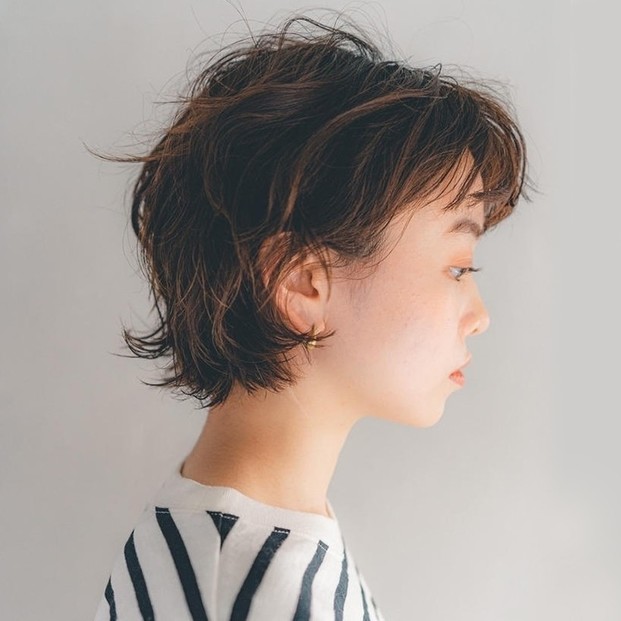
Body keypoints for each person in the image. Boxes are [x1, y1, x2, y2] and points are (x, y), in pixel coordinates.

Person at [91, 11, 535, 621]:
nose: (479, 316)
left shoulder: (229, 540)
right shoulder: (254, 587)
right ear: (302, 284)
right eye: (459, 267)